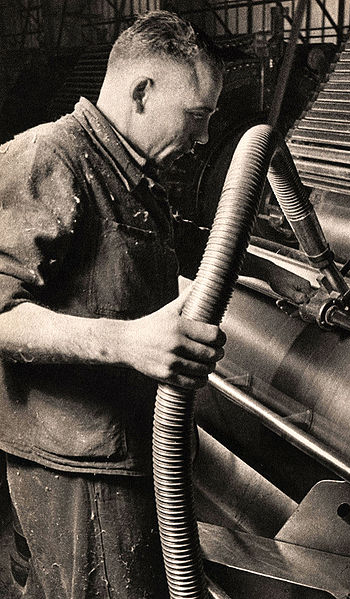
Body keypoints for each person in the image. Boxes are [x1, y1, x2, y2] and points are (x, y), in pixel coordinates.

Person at [0, 10, 311, 599]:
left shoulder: (127, 171)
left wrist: (271, 273)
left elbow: (169, 245)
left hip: (123, 449)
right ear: (142, 93)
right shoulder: (50, 158)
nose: (203, 138)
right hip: (82, 465)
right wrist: (127, 341)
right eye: (197, 116)